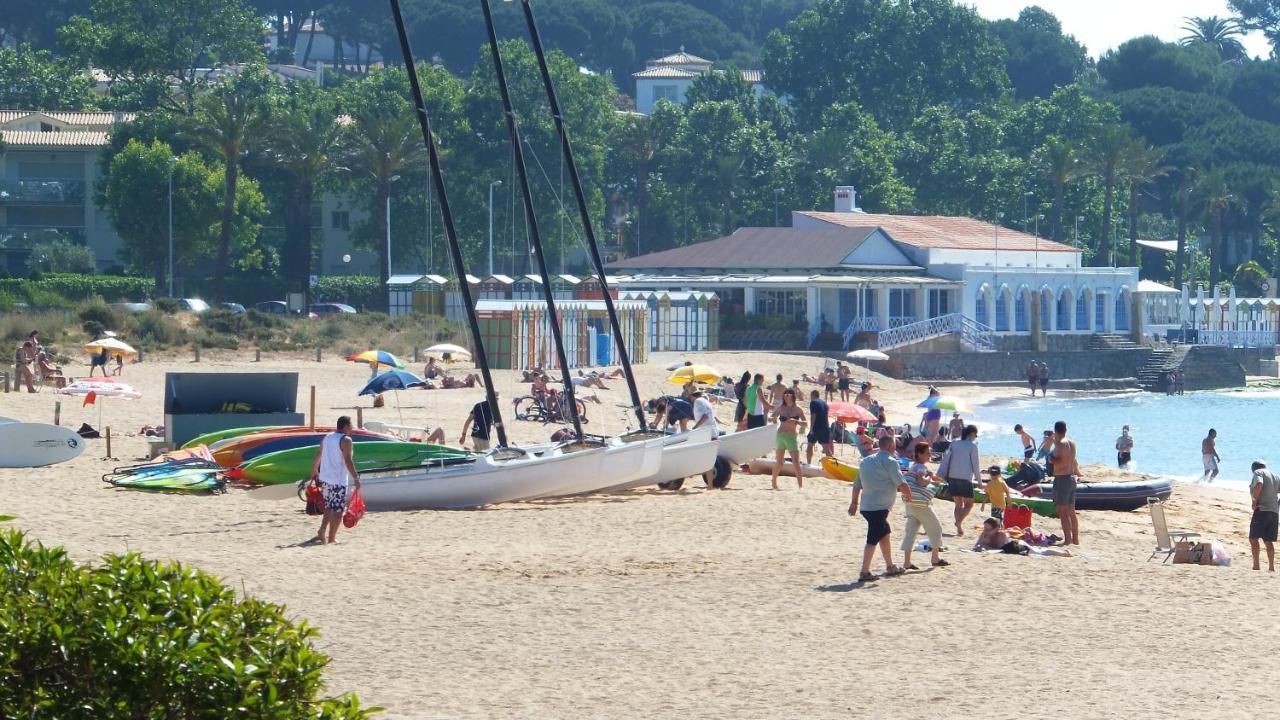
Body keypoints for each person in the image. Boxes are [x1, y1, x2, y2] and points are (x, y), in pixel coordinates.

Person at [849, 435, 909, 581]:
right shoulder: (891, 462)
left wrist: (854, 503)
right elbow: (901, 484)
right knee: (872, 539)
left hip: (867, 506)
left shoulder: (865, 461)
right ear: (890, 446)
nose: (895, 448)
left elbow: (857, 484)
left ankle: (890, 566)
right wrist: (909, 496)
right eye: (894, 445)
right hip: (879, 507)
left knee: (885, 533)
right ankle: (864, 572)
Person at [308, 416, 361, 545]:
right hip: (338, 480)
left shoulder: (328, 437)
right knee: (337, 510)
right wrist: (356, 478)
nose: (352, 428)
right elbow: (348, 460)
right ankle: (331, 538)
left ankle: (322, 531)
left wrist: (314, 470)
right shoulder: (346, 440)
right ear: (346, 426)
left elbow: (318, 454)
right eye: (351, 425)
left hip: (326, 478)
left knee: (329, 506)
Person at [901, 441, 948, 570]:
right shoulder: (921, 467)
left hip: (910, 503)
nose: (930, 455)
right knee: (936, 528)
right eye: (927, 453)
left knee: (911, 532)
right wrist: (930, 477)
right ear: (920, 454)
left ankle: (907, 562)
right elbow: (922, 482)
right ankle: (935, 558)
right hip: (921, 504)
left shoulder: (913, 466)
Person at [937, 424, 980, 537]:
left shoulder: (954, 443)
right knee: (969, 504)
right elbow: (975, 465)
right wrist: (979, 482)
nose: (976, 436)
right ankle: (959, 522)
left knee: (958, 504)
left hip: (952, 476)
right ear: (971, 434)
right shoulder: (972, 446)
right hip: (965, 478)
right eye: (976, 434)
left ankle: (959, 528)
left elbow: (947, 458)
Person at [1049, 420, 1081, 545]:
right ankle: (1075, 539)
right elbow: (1070, 459)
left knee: (1062, 512)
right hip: (1071, 477)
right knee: (1071, 512)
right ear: (1066, 430)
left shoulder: (1060, 444)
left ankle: (1067, 540)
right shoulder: (1072, 443)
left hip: (1062, 479)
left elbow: (1058, 461)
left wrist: (1050, 457)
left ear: (1055, 431)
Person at [769, 389, 807, 490]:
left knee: (796, 462)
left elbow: (806, 423)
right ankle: (773, 482)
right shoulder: (781, 408)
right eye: (785, 394)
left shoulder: (798, 409)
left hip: (791, 437)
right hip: (780, 435)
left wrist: (796, 421)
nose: (786, 396)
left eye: (788, 394)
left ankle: (800, 486)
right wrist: (772, 419)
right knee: (779, 462)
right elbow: (772, 416)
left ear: (793, 396)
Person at [1249, 460, 1279, 571]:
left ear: (1254, 469)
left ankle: (1256, 565)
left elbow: (1259, 483)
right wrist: (1277, 504)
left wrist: (1254, 500)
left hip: (1262, 510)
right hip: (1274, 512)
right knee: (1268, 540)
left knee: (1253, 538)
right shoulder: (1275, 476)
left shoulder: (1258, 473)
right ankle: (1271, 567)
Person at [690, 390, 720, 488]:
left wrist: (695, 428)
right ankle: (709, 486)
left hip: (707, 434)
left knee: (707, 460)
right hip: (713, 433)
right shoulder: (705, 401)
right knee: (708, 460)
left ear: (692, 396)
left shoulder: (698, 401)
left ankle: (710, 486)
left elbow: (705, 417)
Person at [805, 389, 832, 465]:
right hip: (825, 427)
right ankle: (833, 466)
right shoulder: (825, 403)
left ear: (813, 395)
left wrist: (811, 428)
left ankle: (808, 464)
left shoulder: (813, 402)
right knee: (826, 448)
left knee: (810, 445)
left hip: (816, 427)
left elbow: (813, 415)